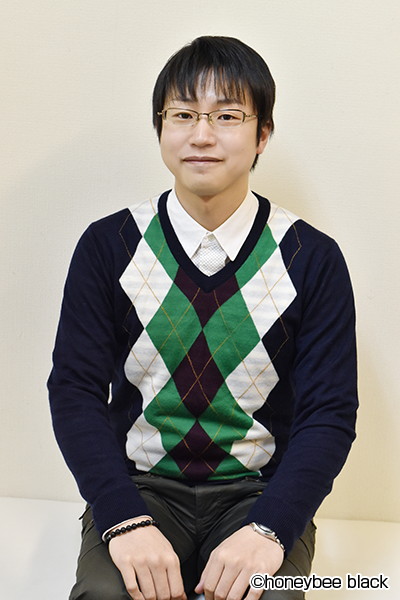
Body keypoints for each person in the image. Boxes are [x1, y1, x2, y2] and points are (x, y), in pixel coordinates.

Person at [48, 36, 358, 600]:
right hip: (139, 490)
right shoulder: (108, 246)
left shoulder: (312, 258)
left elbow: (329, 413)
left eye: (227, 116)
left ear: (263, 133)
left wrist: (271, 528)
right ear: (160, 127)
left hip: (257, 494)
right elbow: (74, 391)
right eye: (183, 114)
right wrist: (123, 518)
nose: (202, 135)